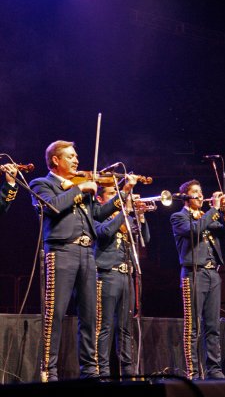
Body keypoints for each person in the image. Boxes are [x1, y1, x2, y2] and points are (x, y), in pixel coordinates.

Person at [29, 140, 137, 382]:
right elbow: (52, 207)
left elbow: (97, 213)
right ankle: (50, 372)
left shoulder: (81, 186)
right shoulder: (42, 183)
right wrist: (79, 190)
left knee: (90, 316)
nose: (76, 160)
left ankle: (90, 372)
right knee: (55, 315)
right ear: (55, 160)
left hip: (87, 255)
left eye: (76, 156)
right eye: (70, 156)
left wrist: (124, 191)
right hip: (61, 252)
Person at [170, 179, 225, 380]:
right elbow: (196, 230)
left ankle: (214, 369)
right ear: (186, 197)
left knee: (213, 325)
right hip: (193, 274)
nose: (200, 195)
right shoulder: (179, 217)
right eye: (195, 192)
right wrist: (214, 210)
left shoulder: (209, 217)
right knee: (193, 326)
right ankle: (193, 372)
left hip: (212, 274)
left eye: (201, 191)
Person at [94, 186, 150, 378]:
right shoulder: (96, 216)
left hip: (127, 276)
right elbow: (105, 233)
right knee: (105, 327)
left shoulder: (126, 219)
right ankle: (102, 373)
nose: (117, 197)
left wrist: (141, 217)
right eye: (112, 194)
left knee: (125, 328)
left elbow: (144, 239)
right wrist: (125, 209)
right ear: (100, 199)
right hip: (107, 275)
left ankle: (129, 373)